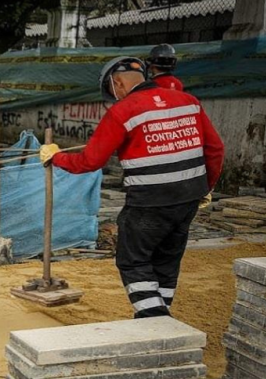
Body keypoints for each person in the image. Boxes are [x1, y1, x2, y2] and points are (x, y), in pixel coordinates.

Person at [39, 56, 224, 319]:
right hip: (188, 199)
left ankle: (155, 321)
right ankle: (160, 314)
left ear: (116, 83)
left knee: (133, 261)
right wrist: (206, 186)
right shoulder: (188, 102)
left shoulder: (123, 110)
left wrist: (55, 157)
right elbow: (216, 149)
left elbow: (90, 161)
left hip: (149, 202)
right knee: (166, 262)